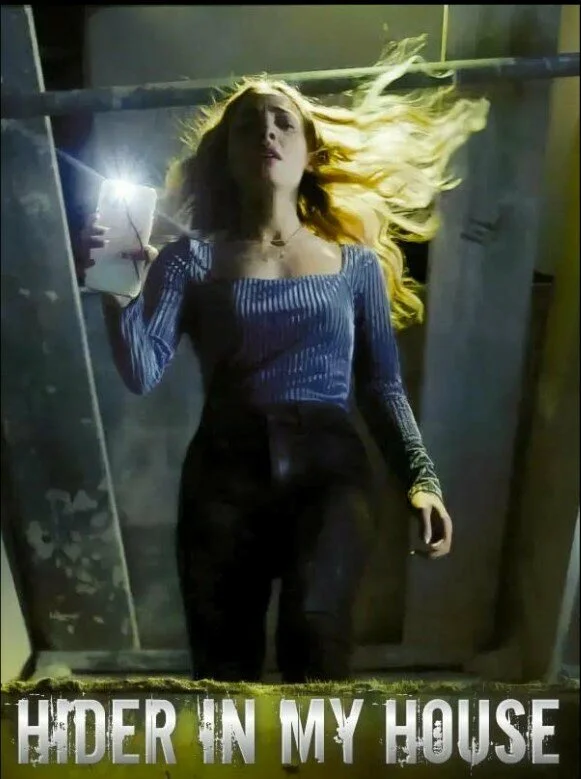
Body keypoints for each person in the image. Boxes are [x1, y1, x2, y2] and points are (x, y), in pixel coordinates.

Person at [81, 38, 488, 682]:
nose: (267, 134)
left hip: (329, 469)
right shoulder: (189, 261)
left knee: (317, 637)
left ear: (308, 150)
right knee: (223, 662)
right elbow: (141, 370)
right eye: (249, 126)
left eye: (282, 122)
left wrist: (422, 480)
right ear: (228, 155)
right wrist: (117, 294)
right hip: (224, 471)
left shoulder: (354, 267)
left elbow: (382, 386)